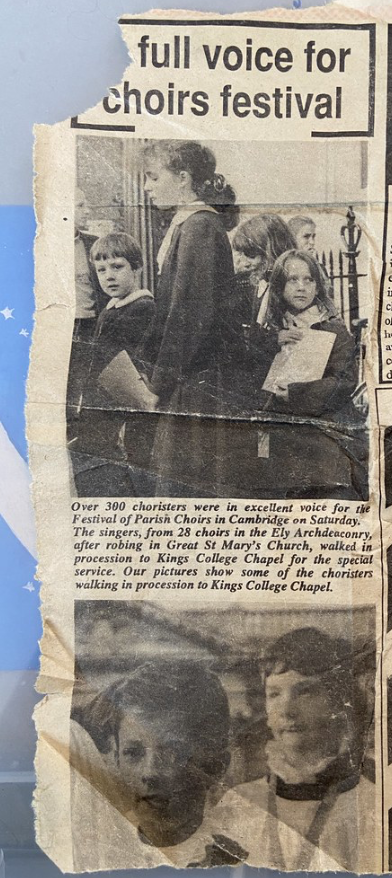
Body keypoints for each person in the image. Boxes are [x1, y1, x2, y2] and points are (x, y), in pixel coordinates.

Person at [212, 627, 375, 872]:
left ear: (337, 703)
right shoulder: (238, 805)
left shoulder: (369, 803)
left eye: (305, 692)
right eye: (274, 694)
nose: (287, 710)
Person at [138, 139, 238, 496]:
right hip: (187, 377)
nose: (146, 187)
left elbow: (188, 316)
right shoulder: (189, 224)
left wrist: (158, 383)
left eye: (153, 177)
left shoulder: (200, 227)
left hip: (195, 382)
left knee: (186, 486)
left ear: (183, 178)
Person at [70, 660, 234, 870]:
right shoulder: (94, 858)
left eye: (173, 753)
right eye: (133, 753)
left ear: (216, 767)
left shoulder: (237, 861)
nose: (150, 772)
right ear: (116, 760)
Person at [241, 249, 368, 498]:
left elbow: (344, 382)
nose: (302, 287)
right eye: (293, 280)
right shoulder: (270, 329)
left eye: (309, 279)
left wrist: (296, 393)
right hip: (280, 438)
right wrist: (273, 341)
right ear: (279, 286)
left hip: (324, 437)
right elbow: (250, 374)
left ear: (318, 286)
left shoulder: (333, 329)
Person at [69, 232, 155, 496]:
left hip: (123, 410)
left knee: (119, 477)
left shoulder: (143, 308)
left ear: (136, 267)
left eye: (117, 267)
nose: (109, 276)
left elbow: (138, 367)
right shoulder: (110, 309)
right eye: (101, 270)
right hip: (101, 408)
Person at [67, 188, 105, 441]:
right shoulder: (41, 243)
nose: (87, 211)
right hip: (60, 328)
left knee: (89, 382)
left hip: (90, 325)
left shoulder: (93, 244)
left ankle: (85, 437)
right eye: (80, 205)